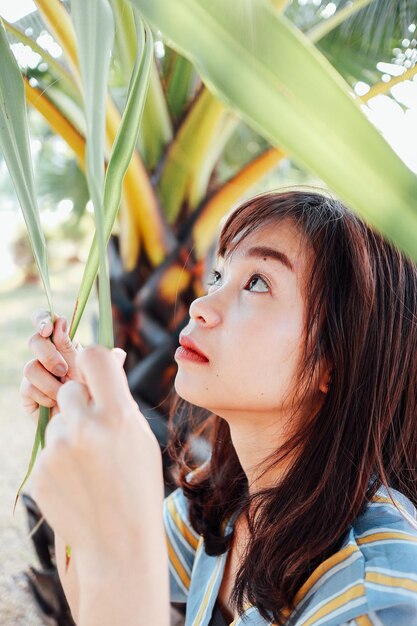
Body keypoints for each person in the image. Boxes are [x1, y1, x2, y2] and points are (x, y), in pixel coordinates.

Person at [20, 190, 417, 626]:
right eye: (218, 275)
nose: (200, 307)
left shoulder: (376, 589)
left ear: (335, 361)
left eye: (258, 283)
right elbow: (95, 598)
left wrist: (119, 537)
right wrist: (75, 412)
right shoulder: (220, 498)